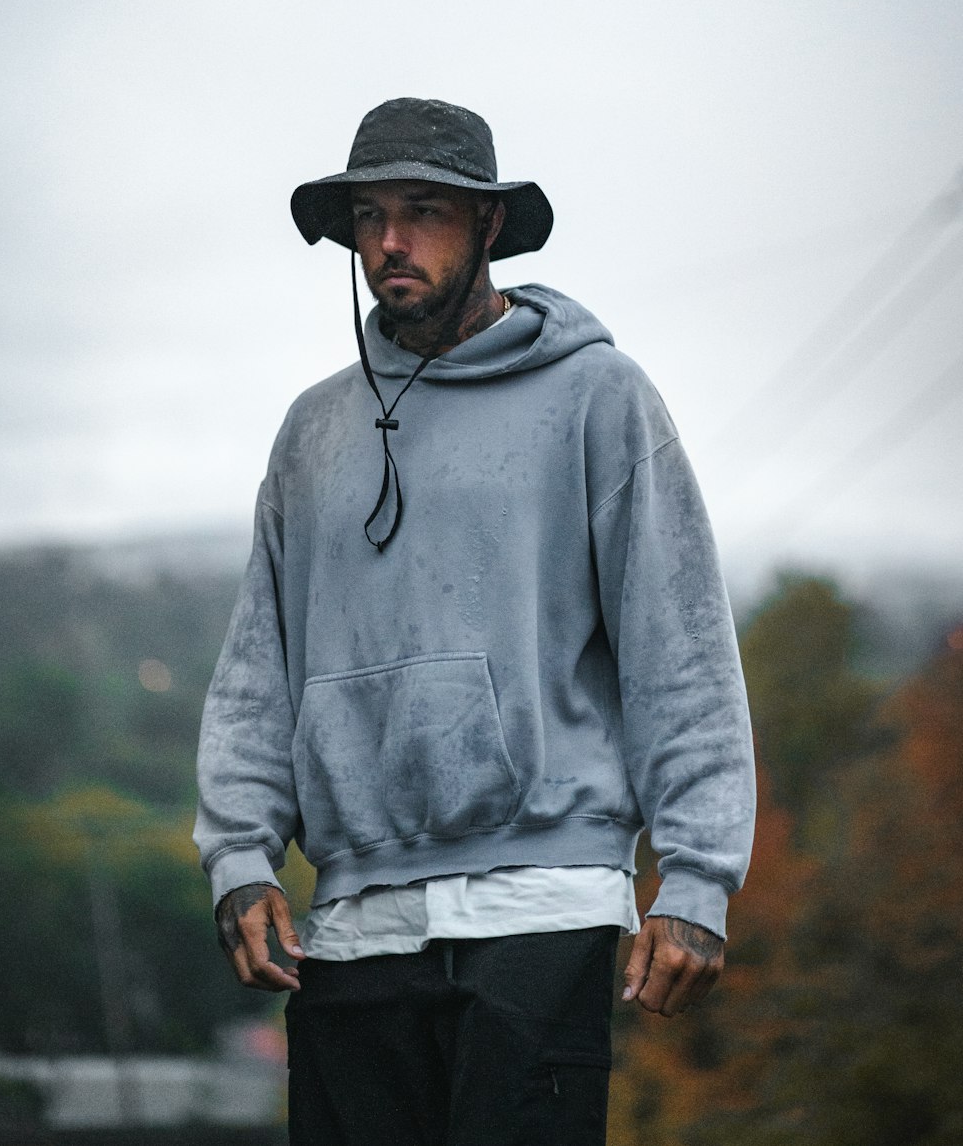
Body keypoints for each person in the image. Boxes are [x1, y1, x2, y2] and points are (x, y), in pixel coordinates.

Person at [194, 97, 756, 1146]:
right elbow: (256, 670)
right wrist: (241, 857)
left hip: (542, 906)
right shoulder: (314, 430)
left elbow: (676, 650)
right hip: (353, 924)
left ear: (489, 226)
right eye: (367, 217)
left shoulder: (600, 397)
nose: (389, 243)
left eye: (421, 212)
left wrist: (697, 876)